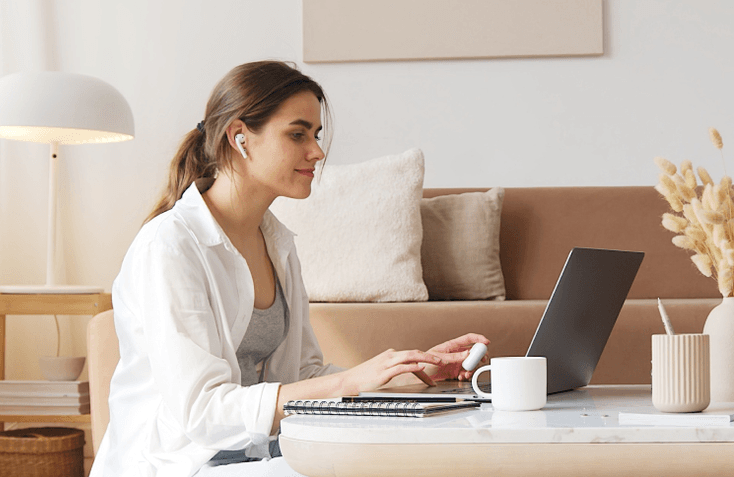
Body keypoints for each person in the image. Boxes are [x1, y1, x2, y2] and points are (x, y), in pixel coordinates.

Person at [89, 60, 490, 477]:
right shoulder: (169, 246)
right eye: (297, 134)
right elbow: (203, 413)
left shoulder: (277, 242)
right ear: (239, 137)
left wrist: (408, 374)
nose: (316, 151)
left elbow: (305, 376)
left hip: (259, 455)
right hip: (182, 463)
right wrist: (352, 381)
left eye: (315, 135)